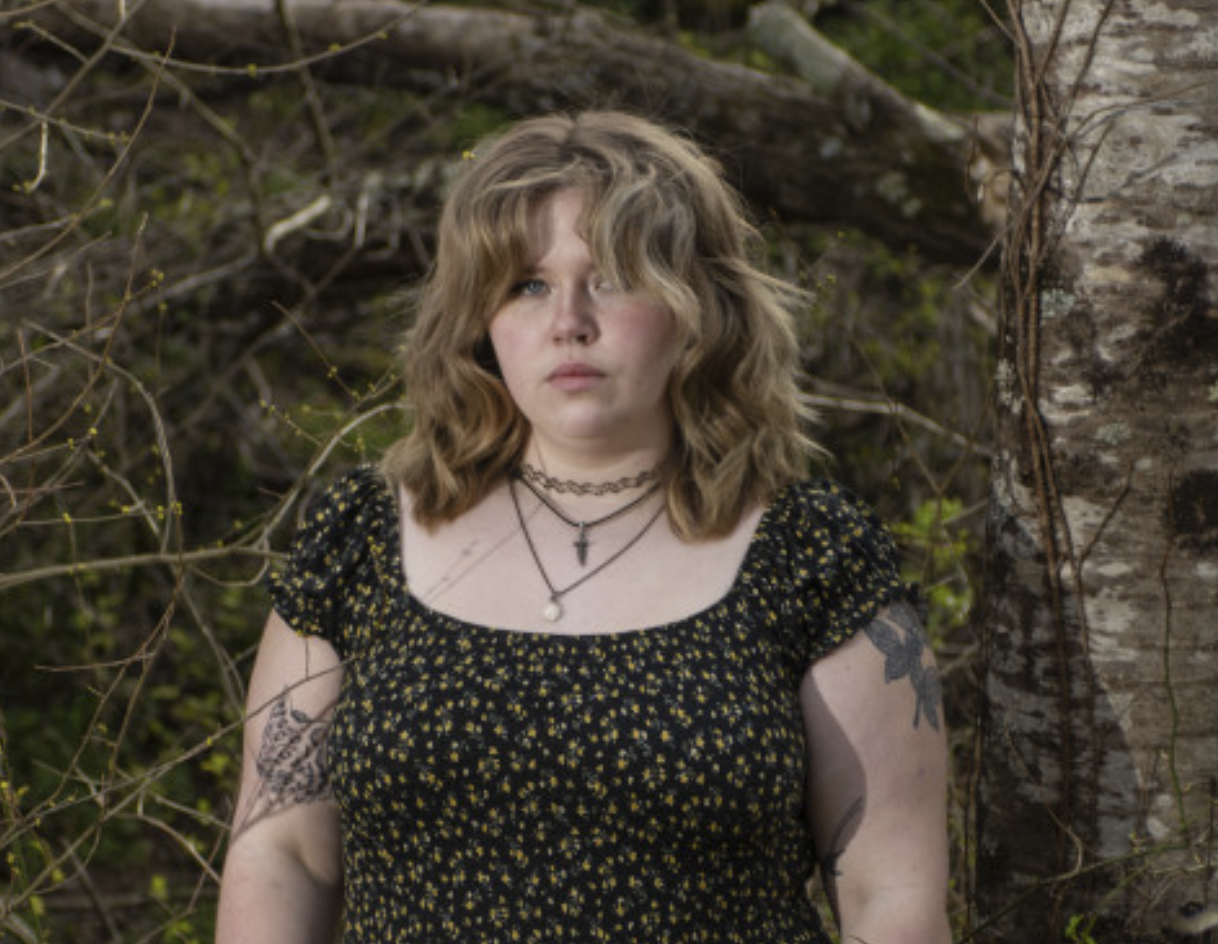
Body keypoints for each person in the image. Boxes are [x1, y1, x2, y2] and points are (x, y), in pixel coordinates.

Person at [215, 110, 951, 944]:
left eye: (609, 278)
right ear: (478, 320)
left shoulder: (813, 554)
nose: (568, 319)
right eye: (527, 285)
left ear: (696, 305)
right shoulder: (361, 541)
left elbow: (892, 894)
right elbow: (282, 854)